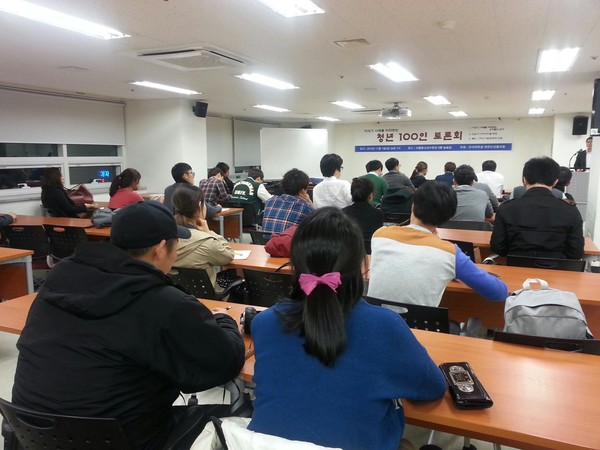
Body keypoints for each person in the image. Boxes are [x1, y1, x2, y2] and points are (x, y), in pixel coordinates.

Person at [12, 201, 245, 450]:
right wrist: (225, 321)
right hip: (118, 439)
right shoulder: (163, 302)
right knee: (237, 418)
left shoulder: (58, 279)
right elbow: (225, 362)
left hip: (33, 435)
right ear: (160, 248)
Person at [248, 207, 446, 450]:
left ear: (295, 264)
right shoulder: (385, 326)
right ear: (362, 266)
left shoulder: (264, 323)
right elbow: (432, 388)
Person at [368, 181, 507, 306]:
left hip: (373, 322)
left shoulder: (380, 235)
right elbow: (499, 293)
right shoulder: (450, 253)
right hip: (419, 326)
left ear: (413, 206)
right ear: (448, 216)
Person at [491, 157, 584, 259]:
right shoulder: (570, 210)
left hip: (516, 265)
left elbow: (498, 247)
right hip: (557, 267)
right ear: (555, 182)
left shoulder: (506, 208)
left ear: (524, 180)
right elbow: (576, 252)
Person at [172, 184, 235, 287]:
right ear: (199, 207)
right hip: (207, 296)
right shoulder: (206, 241)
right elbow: (229, 256)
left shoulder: (165, 238)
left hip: (175, 293)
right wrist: (208, 232)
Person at [262, 168, 313, 234]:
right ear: (303, 191)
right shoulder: (305, 207)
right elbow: (319, 224)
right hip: (288, 240)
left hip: (265, 240)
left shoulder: (270, 201)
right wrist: (310, 202)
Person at [342, 178, 384, 254]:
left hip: (348, 253)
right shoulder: (378, 214)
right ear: (371, 195)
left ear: (351, 194)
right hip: (370, 252)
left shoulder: (343, 213)